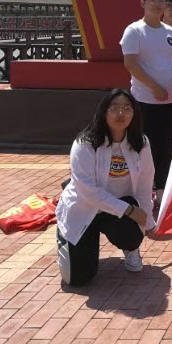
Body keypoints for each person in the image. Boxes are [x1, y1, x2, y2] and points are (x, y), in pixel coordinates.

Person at [56, 89, 155, 286]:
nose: (121, 113)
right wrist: (130, 211)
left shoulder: (140, 142)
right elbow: (88, 191)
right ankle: (66, 235)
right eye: (114, 108)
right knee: (77, 280)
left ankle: (131, 249)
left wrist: (148, 221)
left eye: (127, 108)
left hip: (118, 208)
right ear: (103, 111)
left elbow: (145, 182)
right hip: (85, 208)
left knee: (132, 233)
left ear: (134, 113)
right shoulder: (85, 143)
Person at [120, 0, 172, 198]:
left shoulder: (171, 32)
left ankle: (162, 189)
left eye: (161, 0)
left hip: (170, 99)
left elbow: (170, 62)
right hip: (145, 100)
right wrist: (155, 87)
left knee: (166, 145)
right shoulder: (134, 30)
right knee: (145, 147)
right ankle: (144, 190)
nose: (157, 3)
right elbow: (130, 63)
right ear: (143, 3)